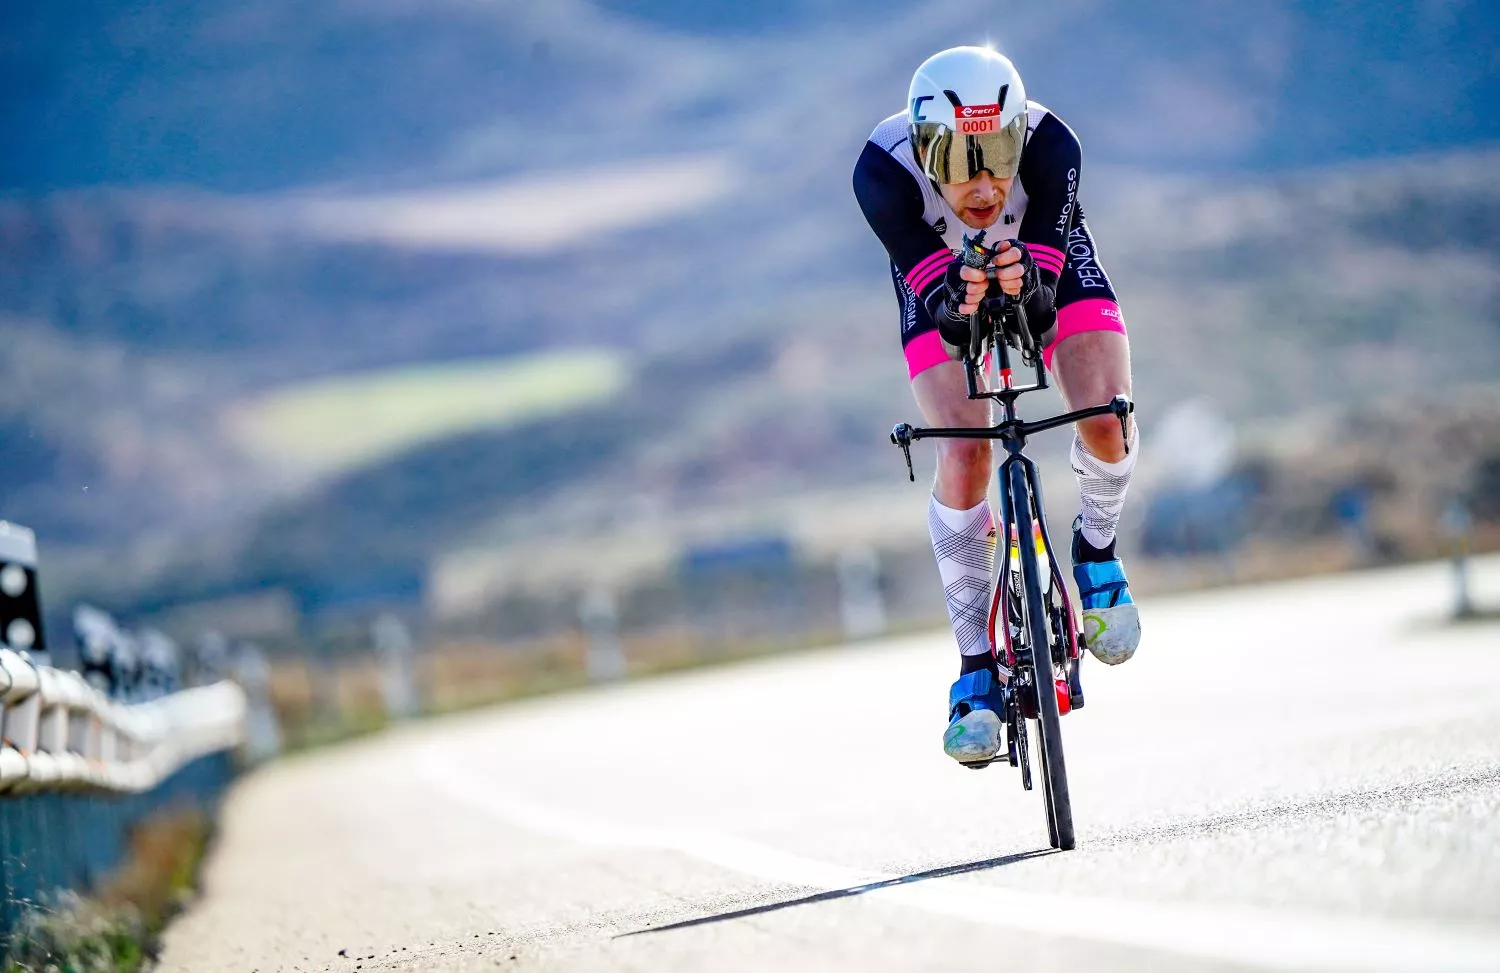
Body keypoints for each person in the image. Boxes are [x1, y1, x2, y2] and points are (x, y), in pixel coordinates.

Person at [852, 46, 1141, 765]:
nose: (982, 183)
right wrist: (957, 302)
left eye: (998, 151)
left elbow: (1045, 288)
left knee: (1106, 415)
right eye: (955, 159)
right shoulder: (882, 172)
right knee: (965, 448)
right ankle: (975, 669)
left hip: (1046, 259)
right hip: (943, 278)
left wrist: (1028, 283)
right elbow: (940, 304)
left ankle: (1097, 552)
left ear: (1020, 133)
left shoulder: (1053, 147)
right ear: (924, 150)